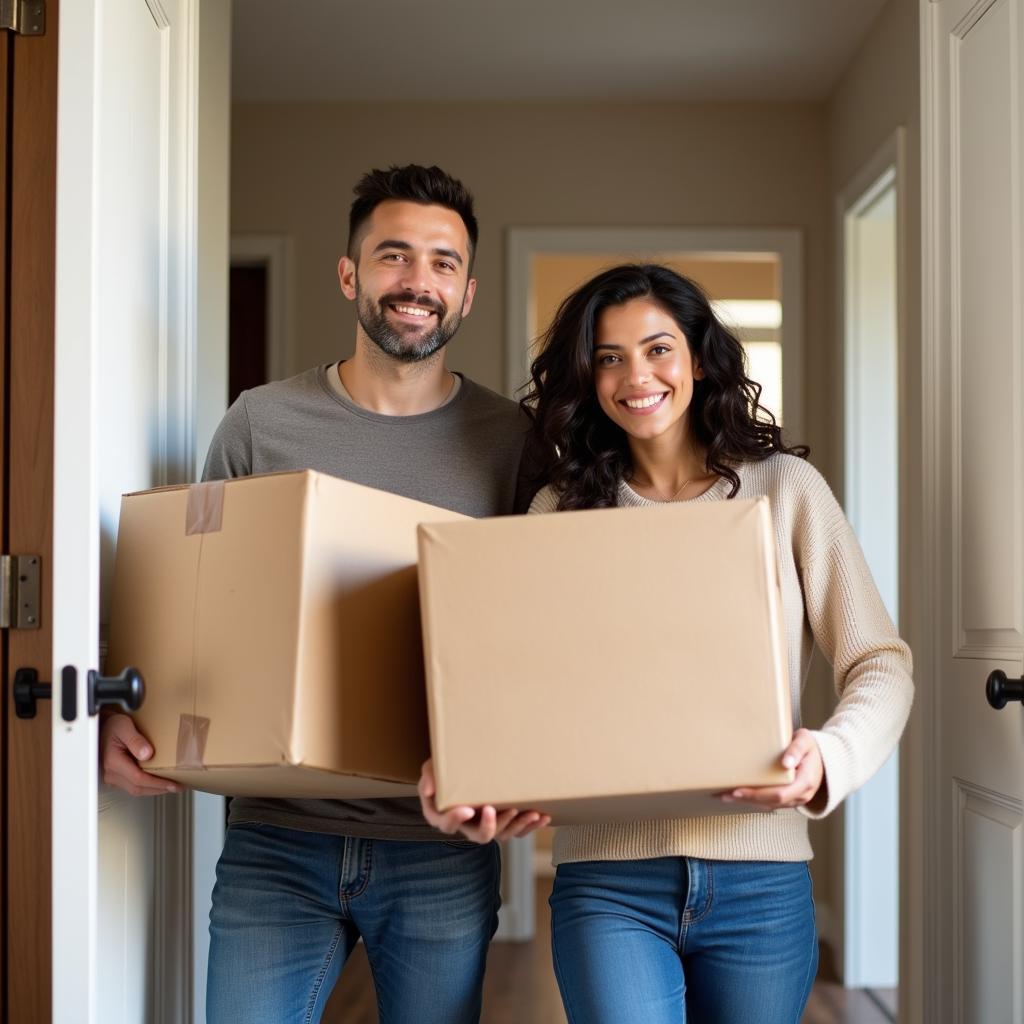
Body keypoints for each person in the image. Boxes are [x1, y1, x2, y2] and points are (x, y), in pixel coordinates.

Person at [99, 164, 548, 1024]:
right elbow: (187, 597)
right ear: (350, 276)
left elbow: (538, 632)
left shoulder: (515, 443)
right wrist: (126, 700)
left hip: (440, 844)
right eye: (394, 257)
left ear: (468, 292)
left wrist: (527, 765)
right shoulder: (261, 423)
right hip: (277, 836)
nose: (418, 282)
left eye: (443, 264)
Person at [421, 263, 914, 1023]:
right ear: (587, 378)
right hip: (607, 881)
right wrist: (471, 772)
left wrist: (830, 757)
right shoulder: (559, 509)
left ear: (698, 359)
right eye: (609, 358)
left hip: (762, 879)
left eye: (657, 349)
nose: (634, 376)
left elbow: (880, 662)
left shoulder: (785, 491)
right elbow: (514, 681)